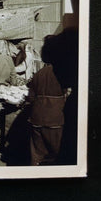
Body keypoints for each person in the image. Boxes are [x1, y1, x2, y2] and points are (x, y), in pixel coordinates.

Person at [26, 31, 76, 166]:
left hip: (37, 118)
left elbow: (30, 98)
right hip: (55, 119)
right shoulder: (64, 73)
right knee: (56, 154)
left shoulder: (37, 75)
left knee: (36, 155)